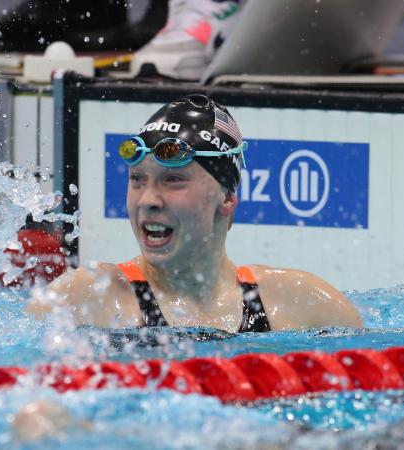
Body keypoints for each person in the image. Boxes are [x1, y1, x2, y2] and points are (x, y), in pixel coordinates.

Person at [28, 94, 362, 331]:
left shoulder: (303, 303)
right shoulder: (82, 299)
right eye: (137, 179)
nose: (148, 200)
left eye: (173, 180)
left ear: (228, 198)